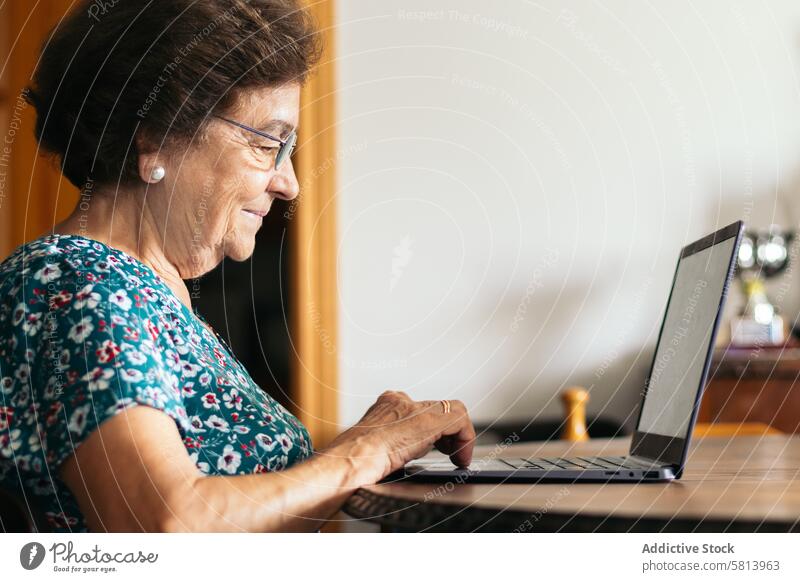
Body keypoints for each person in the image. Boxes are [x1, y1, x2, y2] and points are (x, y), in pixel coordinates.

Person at [0, 0, 474, 532]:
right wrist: (364, 454)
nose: (288, 181)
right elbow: (164, 523)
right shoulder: (80, 284)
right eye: (267, 143)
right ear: (155, 136)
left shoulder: (142, 290)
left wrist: (368, 443)